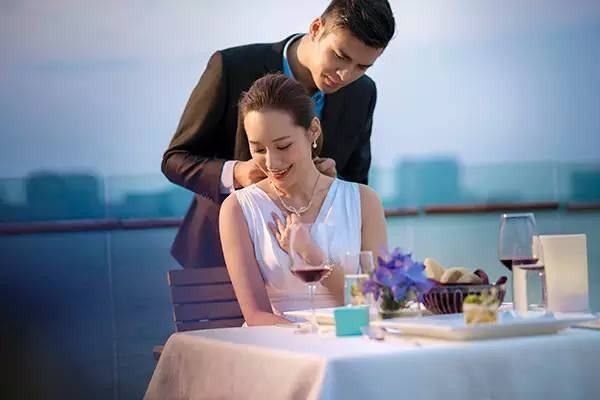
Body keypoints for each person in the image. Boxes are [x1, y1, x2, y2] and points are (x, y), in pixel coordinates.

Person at [162, 0, 395, 268]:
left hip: (313, 264)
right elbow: (175, 159)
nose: (345, 75)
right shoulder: (232, 67)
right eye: (340, 56)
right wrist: (237, 173)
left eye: (362, 67)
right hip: (219, 260)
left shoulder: (362, 93)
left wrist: (332, 181)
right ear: (316, 28)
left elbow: (356, 182)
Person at [219, 74, 388, 326]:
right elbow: (256, 316)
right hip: (277, 342)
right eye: (259, 149)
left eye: (283, 146)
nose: (271, 162)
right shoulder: (238, 209)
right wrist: (311, 338)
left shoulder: (364, 202)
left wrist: (311, 254)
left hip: (351, 336)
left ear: (313, 131)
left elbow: (375, 301)